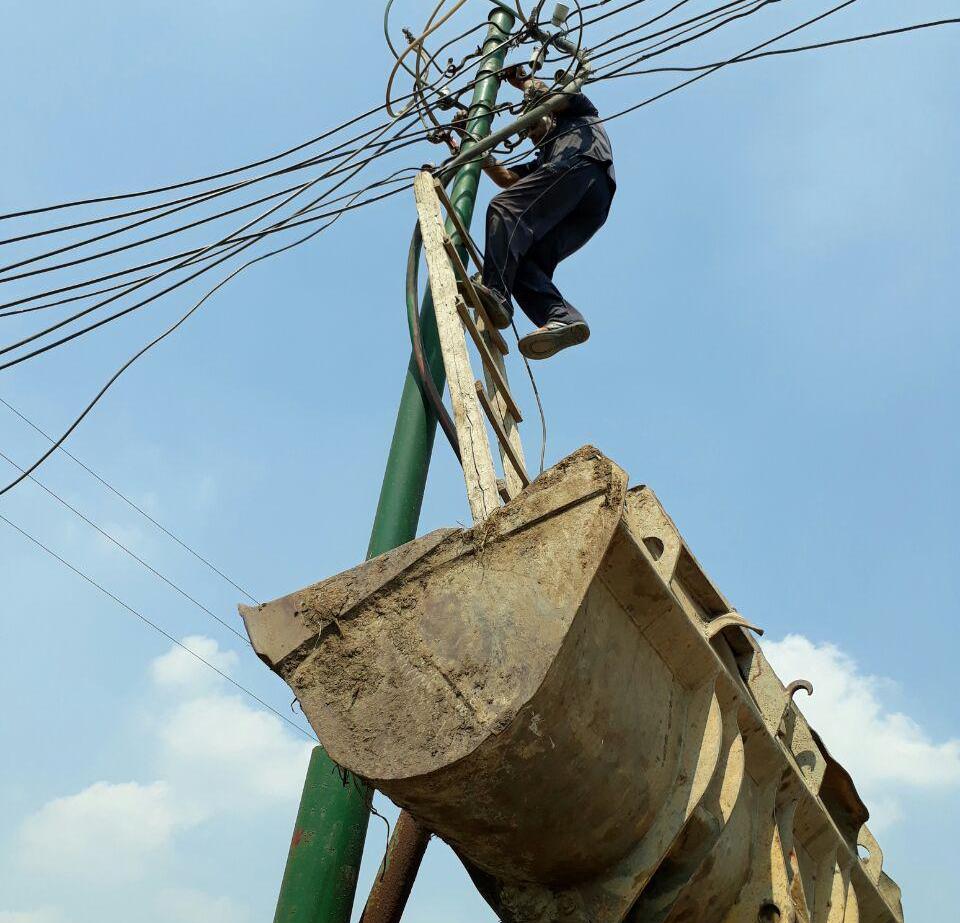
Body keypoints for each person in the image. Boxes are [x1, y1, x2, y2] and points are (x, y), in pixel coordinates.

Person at [473, 67, 616, 360]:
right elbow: (507, 179)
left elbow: (551, 97)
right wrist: (477, 150)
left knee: (503, 208)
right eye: (529, 135)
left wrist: (523, 81)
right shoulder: (545, 158)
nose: (533, 137)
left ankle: (496, 293)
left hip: (582, 164)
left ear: (548, 116)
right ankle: (562, 317)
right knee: (522, 264)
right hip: (589, 206)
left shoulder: (574, 114)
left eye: (534, 127)